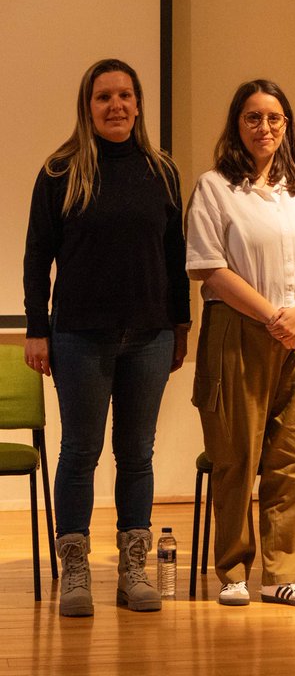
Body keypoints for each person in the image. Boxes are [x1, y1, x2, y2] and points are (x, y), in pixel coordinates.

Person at [23, 58, 190, 617]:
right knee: (80, 452)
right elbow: (36, 259)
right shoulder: (59, 171)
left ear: (138, 103)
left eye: (125, 95)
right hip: (78, 338)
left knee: (136, 454)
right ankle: (75, 570)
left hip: (149, 336)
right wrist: (36, 330)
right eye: (103, 97)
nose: (115, 105)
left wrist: (181, 325)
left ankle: (132, 569)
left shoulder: (162, 171)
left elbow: (175, 258)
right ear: (87, 106)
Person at [186, 80, 295, 608]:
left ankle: (284, 575)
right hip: (238, 331)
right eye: (253, 117)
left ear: (287, 125)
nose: (265, 127)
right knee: (234, 457)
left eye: (275, 118)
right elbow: (207, 266)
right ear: (237, 124)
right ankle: (232, 571)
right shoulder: (215, 187)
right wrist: (272, 315)